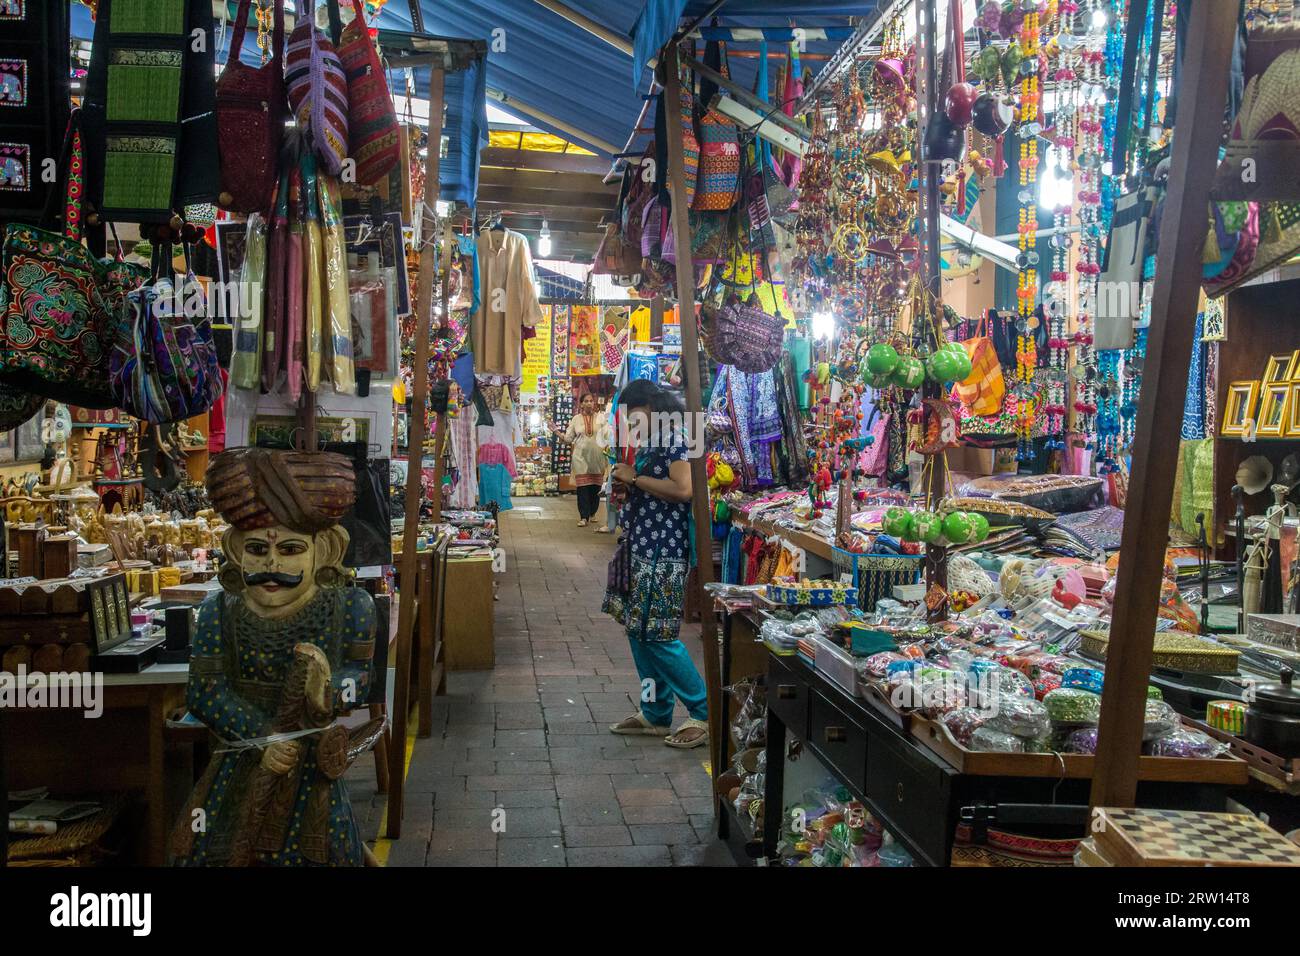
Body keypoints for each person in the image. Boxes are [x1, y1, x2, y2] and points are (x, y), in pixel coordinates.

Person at [602, 379, 708, 749]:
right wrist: (630, 485)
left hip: (664, 552)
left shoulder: (675, 437)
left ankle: (704, 712)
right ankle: (655, 712)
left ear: (653, 406)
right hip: (643, 548)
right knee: (638, 631)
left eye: (635, 414)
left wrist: (637, 478)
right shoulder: (654, 440)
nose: (632, 422)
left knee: (659, 635)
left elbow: (683, 489)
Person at [551, 392, 610, 527]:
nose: (589, 403)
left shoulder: (601, 418)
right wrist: (556, 431)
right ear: (582, 404)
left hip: (598, 458)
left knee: (595, 488)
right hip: (580, 458)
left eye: (591, 401)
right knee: (583, 488)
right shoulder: (576, 419)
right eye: (586, 401)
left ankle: (592, 513)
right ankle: (583, 517)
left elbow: (608, 436)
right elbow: (568, 439)